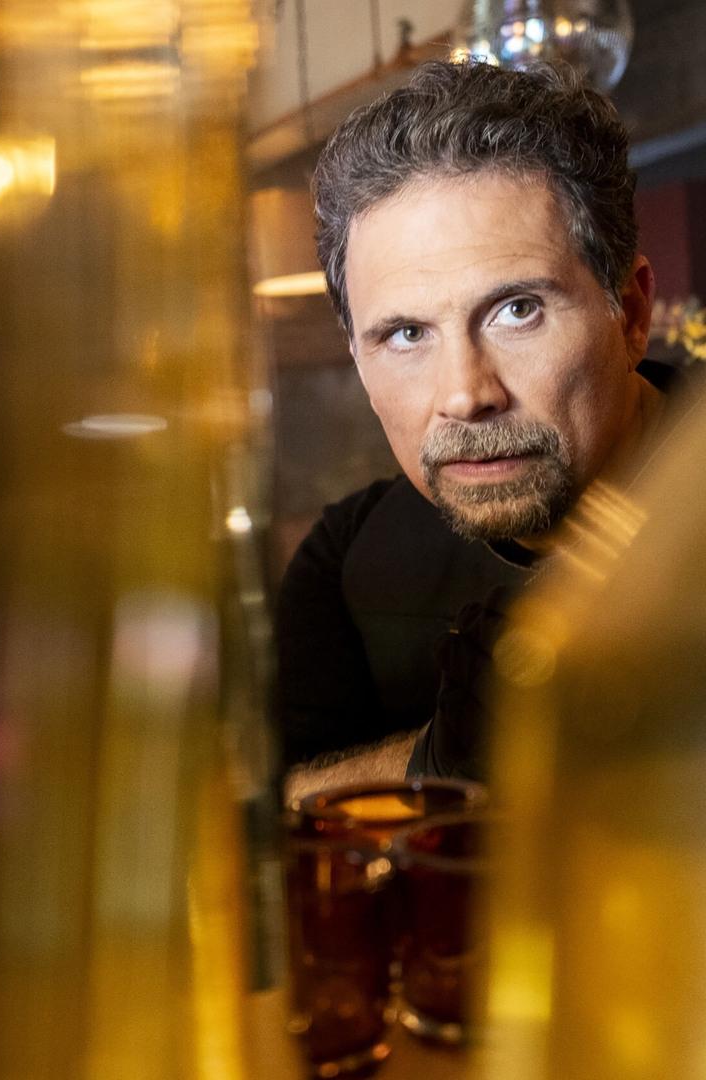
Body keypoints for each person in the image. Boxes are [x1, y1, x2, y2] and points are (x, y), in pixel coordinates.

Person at [275, 59, 683, 797]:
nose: (466, 394)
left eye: (517, 311)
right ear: (358, 360)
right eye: (406, 334)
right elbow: (254, 817)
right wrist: (432, 767)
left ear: (629, 314)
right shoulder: (349, 560)